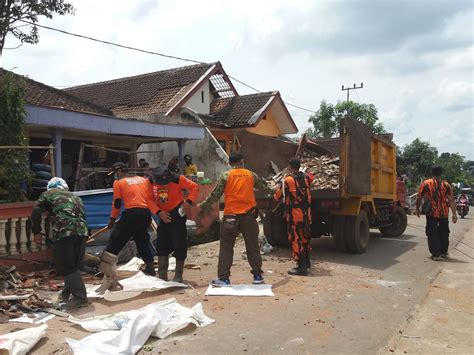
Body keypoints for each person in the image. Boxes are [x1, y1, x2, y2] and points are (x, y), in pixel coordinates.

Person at [198, 151, 270, 286]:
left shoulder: (226, 176)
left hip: (230, 217)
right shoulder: (251, 175)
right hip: (249, 217)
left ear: (230, 163)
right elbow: (265, 187)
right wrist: (277, 191)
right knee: (253, 247)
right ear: (242, 161)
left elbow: (215, 194)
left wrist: (204, 205)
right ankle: (258, 276)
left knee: (226, 248)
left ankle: (224, 279)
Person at [96, 162, 161, 293]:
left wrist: (112, 220)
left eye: (114, 173)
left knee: (115, 242)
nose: (114, 176)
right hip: (145, 214)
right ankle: (150, 267)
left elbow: (117, 203)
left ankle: (106, 271)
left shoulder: (119, 183)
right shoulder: (143, 180)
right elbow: (151, 197)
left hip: (131, 214)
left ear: (119, 171)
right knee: (142, 239)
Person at [31, 177, 89, 310]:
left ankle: (80, 298)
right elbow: (84, 215)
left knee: (66, 266)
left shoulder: (48, 194)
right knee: (73, 266)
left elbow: (36, 210)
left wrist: (36, 232)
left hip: (64, 232)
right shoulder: (76, 197)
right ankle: (66, 293)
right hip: (82, 232)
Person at [151, 165, 198, 282]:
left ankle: (178, 275)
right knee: (162, 243)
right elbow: (147, 199)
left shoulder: (178, 178)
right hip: (162, 214)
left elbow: (195, 187)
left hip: (177, 212)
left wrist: (189, 201)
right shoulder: (150, 181)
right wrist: (158, 212)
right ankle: (162, 275)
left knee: (179, 242)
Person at [274, 158, 313, 276]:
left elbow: (277, 196)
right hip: (307, 214)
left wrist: (278, 187)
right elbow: (311, 176)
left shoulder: (288, 180)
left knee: (295, 238)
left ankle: (301, 267)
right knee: (305, 237)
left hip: (294, 215)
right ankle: (307, 262)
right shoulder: (307, 178)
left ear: (290, 167)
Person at [416, 165, 457, 261]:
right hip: (444, 212)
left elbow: (419, 197)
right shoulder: (446, 185)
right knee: (444, 232)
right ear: (441, 173)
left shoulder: (426, 183)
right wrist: (454, 214)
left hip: (431, 211)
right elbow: (451, 200)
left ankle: (436, 254)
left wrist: (417, 209)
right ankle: (443, 252)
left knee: (432, 232)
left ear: (431, 172)